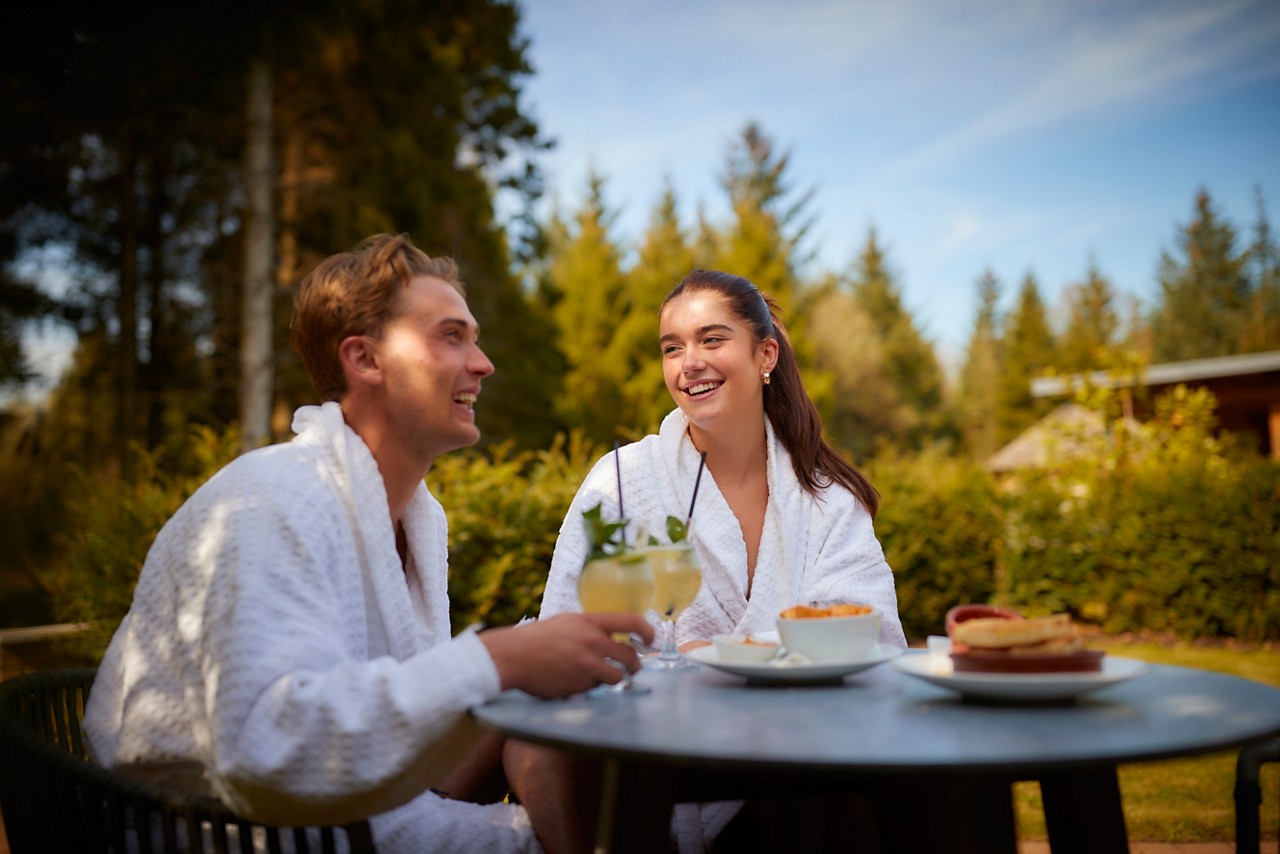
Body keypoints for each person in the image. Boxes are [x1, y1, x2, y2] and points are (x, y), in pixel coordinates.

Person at [83, 233, 652, 853]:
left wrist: (521, 674)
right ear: (366, 360)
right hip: (213, 834)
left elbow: (403, 748)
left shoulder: (415, 518)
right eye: (451, 336)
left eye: (475, 337)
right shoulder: (276, 497)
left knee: (566, 750)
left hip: (336, 818)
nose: (483, 363)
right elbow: (267, 750)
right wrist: (497, 658)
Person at [521, 268, 907, 851]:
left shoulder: (827, 497)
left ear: (765, 355)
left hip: (806, 771)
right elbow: (566, 639)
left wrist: (721, 658)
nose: (688, 362)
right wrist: (681, 663)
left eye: (712, 339)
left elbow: (869, 628)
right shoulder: (624, 482)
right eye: (671, 348)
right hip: (661, 775)